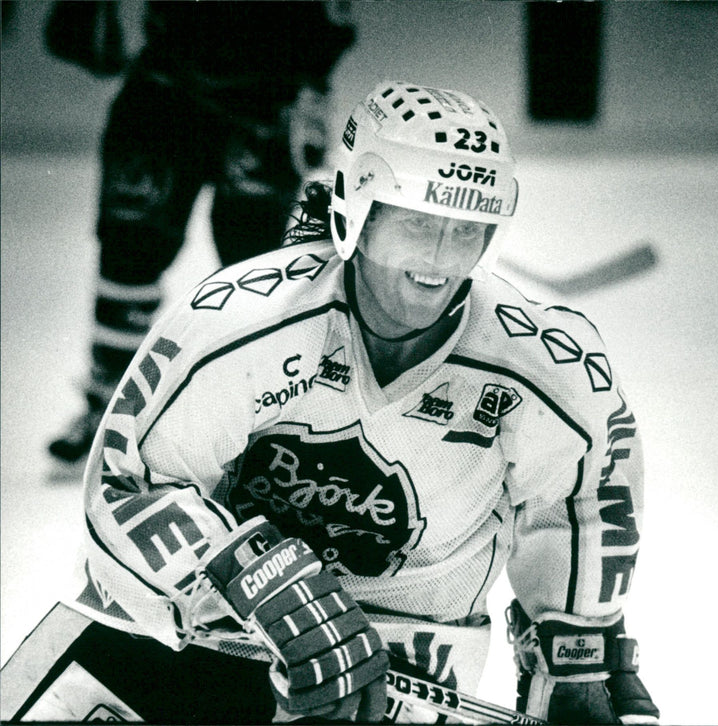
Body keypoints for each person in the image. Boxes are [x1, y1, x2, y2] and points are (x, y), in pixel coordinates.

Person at [1, 82, 660, 724]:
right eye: (419, 220)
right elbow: (128, 487)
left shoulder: (545, 364)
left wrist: (577, 652)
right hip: (206, 636)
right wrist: (263, 583)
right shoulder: (243, 320)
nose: (439, 259)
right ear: (358, 208)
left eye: (466, 228)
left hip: (405, 672)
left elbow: (576, 504)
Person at [46, 1, 356, 469]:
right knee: (129, 247)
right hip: (167, 82)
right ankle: (105, 404)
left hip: (266, 91)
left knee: (254, 271)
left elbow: (333, 13)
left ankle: (260, 416)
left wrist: (314, 88)